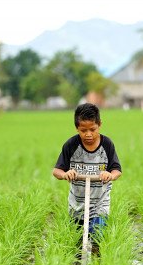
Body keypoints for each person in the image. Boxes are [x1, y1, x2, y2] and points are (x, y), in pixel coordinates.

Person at [52, 103, 122, 246]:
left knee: (97, 238)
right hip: (77, 205)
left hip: (99, 203)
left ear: (99, 125)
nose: (88, 134)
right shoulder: (71, 145)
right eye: (83, 130)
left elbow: (117, 170)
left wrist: (110, 175)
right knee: (77, 244)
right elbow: (56, 171)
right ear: (77, 128)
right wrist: (66, 174)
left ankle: (97, 264)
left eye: (92, 129)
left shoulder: (107, 145)